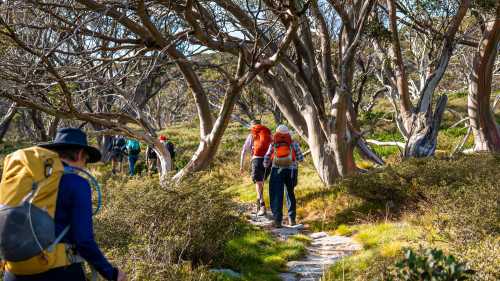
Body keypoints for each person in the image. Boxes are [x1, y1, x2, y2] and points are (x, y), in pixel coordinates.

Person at [3, 128, 127, 281]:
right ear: (80, 154)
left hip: (13, 272)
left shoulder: (28, 181)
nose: (85, 166)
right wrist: (111, 273)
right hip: (58, 271)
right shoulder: (77, 183)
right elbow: (84, 241)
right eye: (86, 160)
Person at [263, 125, 304, 228]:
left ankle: (277, 220)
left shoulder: (273, 144)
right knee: (290, 193)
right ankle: (292, 219)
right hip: (291, 171)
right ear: (288, 133)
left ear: (277, 133)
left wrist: (265, 164)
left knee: (277, 194)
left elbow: (267, 156)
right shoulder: (293, 143)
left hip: (277, 170)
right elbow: (300, 158)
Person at [240, 120, 272, 216]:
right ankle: (258, 205)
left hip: (257, 160)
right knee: (261, 183)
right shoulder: (266, 133)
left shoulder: (252, 135)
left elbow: (244, 150)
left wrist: (241, 165)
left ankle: (262, 206)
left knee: (258, 184)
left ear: (252, 126)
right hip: (268, 160)